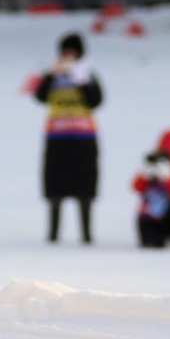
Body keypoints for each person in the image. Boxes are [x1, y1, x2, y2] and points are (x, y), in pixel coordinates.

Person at [34, 33, 102, 244]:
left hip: (83, 139)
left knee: (84, 187)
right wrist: (50, 75)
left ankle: (86, 234)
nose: (69, 56)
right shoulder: (54, 76)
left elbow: (96, 100)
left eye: (73, 51)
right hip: (57, 138)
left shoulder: (88, 75)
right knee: (55, 186)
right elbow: (39, 96)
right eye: (66, 51)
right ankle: (53, 233)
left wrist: (80, 80)